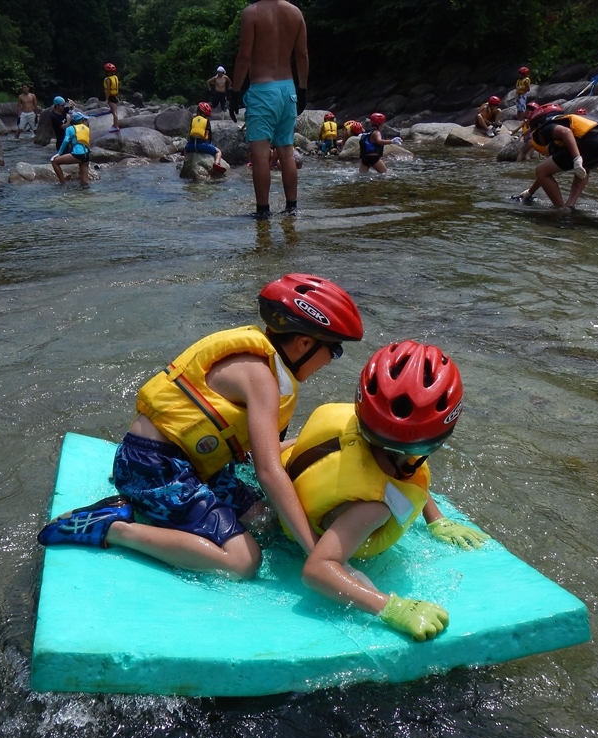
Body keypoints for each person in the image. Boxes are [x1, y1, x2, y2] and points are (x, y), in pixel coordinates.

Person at [38, 274, 365, 579]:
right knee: (244, 561)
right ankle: (113, 527)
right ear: (305, 344)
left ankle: (148, 512)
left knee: (266, 521)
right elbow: (268, 471)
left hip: (188, 466)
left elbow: (256, 454)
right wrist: (323, 557)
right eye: (334, 350)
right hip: (154, 469)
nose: (331, 360)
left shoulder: (261, 363)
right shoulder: (261, 379)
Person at [280, 341, 489, 641]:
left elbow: (406, 470)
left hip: (297, 473)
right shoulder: (371, 507)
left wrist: (436, 518)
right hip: (298, 533)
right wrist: (390, 608)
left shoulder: (348, 419)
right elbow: (317, 570)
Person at [230, 0, 309, 218]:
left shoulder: (252, 13)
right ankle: (292, 207)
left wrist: (234, 92)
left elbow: (244, 57)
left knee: (260, 154)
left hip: (263, 90)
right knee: (286, 152)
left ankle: (263, 211)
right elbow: (302, 54)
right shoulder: (295, 12)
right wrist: (302, 89)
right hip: (288, 89)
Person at [512, 103, 598, 209]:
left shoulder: (547, 126)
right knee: (583, 169)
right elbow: (545, 173)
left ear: (539, 125)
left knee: (541, 170)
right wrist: (530, 192)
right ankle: (570, 206)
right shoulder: (567, 121)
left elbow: (565, 132)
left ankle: (561, 209)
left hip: (592, 140)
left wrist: (577, 158)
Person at [51, 110, 91, 187]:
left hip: (78, 154)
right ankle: (86, 195)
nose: (86, 121)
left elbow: (66, 140)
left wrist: (59, 153)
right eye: (85, 120)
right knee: (85, 181)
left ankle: (62, 184)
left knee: (54, 162)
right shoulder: (87, 129)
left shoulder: (70, 129)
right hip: (86, 155)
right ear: (81, 121)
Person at [185, 102, 225, 174]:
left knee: (185, 149)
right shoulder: (206, 121)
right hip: (202, 146)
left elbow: (189, 134)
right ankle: (217, 163)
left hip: (191, 146)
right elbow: (208, 136)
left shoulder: (193, 120)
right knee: (218, 152)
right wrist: (208, 144)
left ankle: (186, 160)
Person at [103, 63, 121, 133]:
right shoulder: (115, 77)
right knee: (115, 111)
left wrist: (107, 99)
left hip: (111, 97)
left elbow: (108, 90)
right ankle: (115, 124)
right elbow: (117, 88)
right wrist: (118, 97)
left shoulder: (108, 79)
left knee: (114, 112)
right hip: (115, 96)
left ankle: (116, 126)